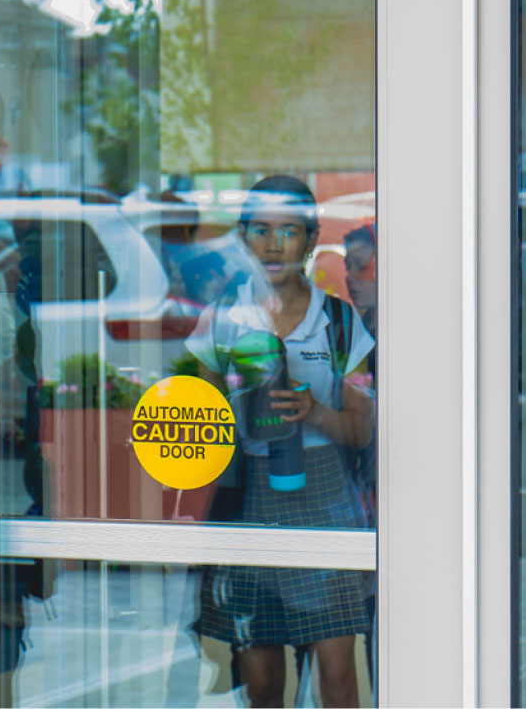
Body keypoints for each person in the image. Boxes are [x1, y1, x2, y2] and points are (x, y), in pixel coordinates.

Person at [188, 175, 376, 708]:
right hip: (250, 500)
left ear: (312, 240)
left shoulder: (339, 322)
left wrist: (315, 412)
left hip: (326, 500)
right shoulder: (224, 318)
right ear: (243, 238)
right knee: (264, 684)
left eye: (289, 231)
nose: (274, 244)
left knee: (338, 680)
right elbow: (201, 427)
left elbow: (362, 430)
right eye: (261, 230)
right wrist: (236, 406)